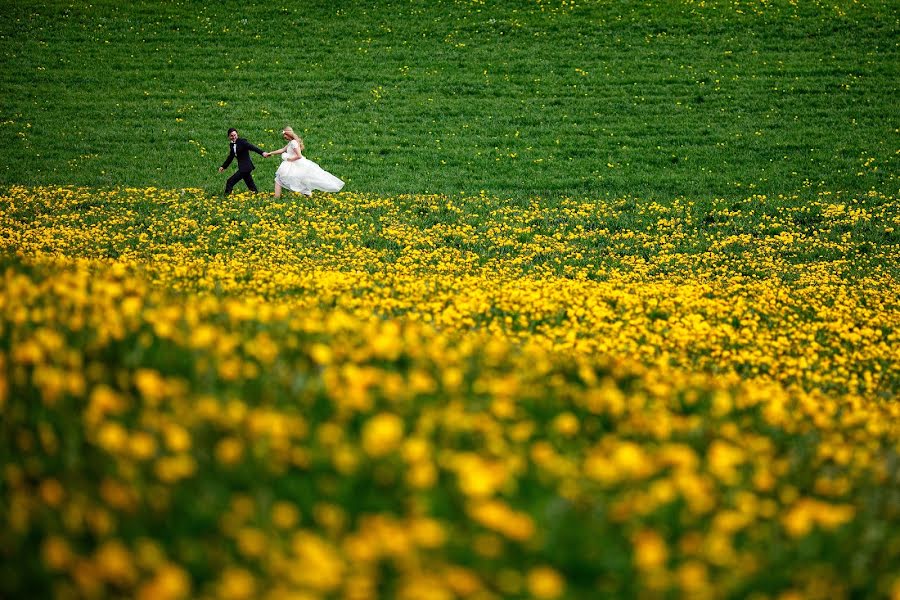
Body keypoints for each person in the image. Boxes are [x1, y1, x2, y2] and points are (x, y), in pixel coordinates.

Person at [263, 127, 344, 198]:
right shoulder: (291, 142)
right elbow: (282, 150)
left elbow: (299, 155)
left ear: (289, 134)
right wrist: (270, 153)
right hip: (291, 164)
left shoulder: (294, 143)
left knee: (287, 179)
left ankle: (279, 196)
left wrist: (289, 159)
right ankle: (280, 196)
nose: (284, 136)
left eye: (285, 134)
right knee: (281, 179)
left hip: (295, 164)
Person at [218, 127, 266, 194]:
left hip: (245, 167)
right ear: (228, 136)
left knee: (230, 182)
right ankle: (255, 193)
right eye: (231, 135)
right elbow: (230, 157)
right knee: (250, 183)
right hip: (244, 168)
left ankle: (226, 197)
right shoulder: (232, 145)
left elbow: (252, 147)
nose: (233, 137)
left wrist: (262, 153)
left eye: (235, 135)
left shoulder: (242, 142)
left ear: (237, 135)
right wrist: (223, 166)